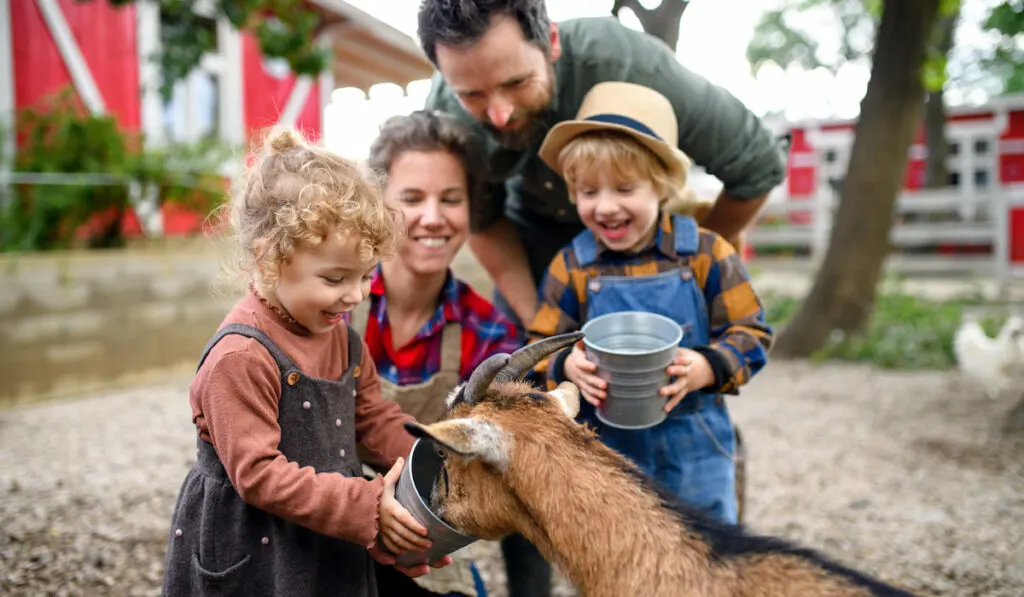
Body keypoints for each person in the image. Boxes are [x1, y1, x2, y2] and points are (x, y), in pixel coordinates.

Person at [417, 2, 786, 592]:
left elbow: (757, 166)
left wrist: (695, 258)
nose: (499, 110)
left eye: (515, 82)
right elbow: (484, 224)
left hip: (661, 231)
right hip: (538, 243)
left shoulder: (632, 66)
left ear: (553, 43)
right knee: (528, 411)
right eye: (474, 94)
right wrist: (552, 346)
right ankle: (539, 577)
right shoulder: (449, 112)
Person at [161, 127, 451, 597]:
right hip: (254, 550)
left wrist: (438, 468)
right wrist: (366, 504)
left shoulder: (343, 339)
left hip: (325, 529)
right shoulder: (240, 358)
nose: (356, 295)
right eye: (335, 278)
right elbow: (258, 475)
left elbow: (374, 419)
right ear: (269, 258)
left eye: (366, 275)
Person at [528, 81, 774, 525]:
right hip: (604, 449)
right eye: (589, 192)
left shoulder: (707, 253)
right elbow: (536, 348)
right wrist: (565, 365)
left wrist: (707, 367)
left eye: (624, 189)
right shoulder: (572, 266)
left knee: (706, 556)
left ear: (660, 186)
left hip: (695, 445)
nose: (605, 207)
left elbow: (752, 333)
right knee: (615, 556)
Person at [350, 110, 519, 597]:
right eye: (411, 198)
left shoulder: (488, 333)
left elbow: (494, 466)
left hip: (424, 543)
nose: (432, 217)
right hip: (324, 523)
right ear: (378, 207)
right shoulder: (336, 307)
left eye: (451, 199)